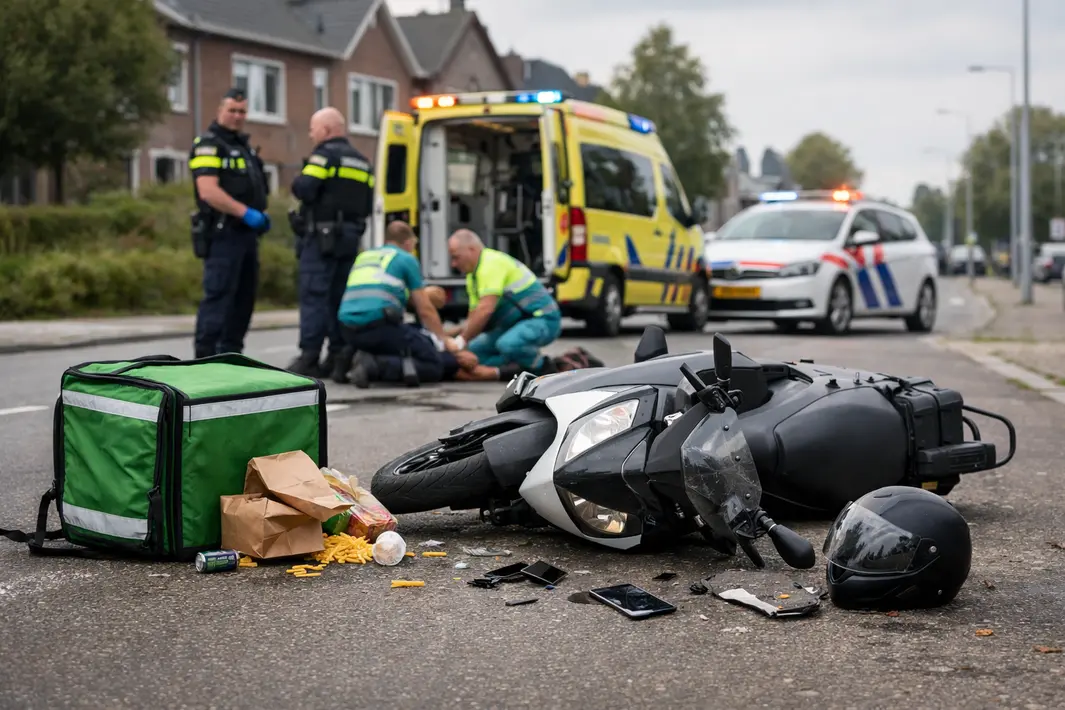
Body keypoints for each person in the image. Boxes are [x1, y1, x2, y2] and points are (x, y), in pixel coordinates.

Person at [287, 107, 374, 379]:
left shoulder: (323, 155)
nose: (311, 135)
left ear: (326, 130)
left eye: (313, 129)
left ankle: (309, 356)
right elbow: (368, 205)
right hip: (350, 239)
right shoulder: (362, 161)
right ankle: (338, 356)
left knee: (314, 297)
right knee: (339, 297)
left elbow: (304, 188)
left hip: (321, 239)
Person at [188, 88, 271, 358]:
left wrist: (259, 214)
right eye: (232, 110)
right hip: (223, 233)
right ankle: (205, 358)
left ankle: (231, 359)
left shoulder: (243, 147)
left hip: (247, 236)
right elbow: (208, 191)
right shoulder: (210, 144)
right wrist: (245, 212)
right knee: (219, 297)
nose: (237, 116)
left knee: (244, 300)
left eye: (242, 111)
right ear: (219, 111)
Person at [340, 221, 449, 388]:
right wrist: (443, 340)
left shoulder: (365, 256)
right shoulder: (405, 258)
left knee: (399, 339)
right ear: (408, 242)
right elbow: (425, 309)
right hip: (378, 328)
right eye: (414, 245)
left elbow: (379, 291)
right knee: (433, 364)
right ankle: (374, 365)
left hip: (347, 329)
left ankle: (347, 360)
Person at [446, 229, 561, 375]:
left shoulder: (491, 264)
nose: (454, 264)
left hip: (542, 320)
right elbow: (474, 318)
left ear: (472, 249)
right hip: (514, 324)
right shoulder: (472, 277)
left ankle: (544, 367)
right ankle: (515, 368)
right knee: (473, 353)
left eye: (456, 257)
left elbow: (485, 310)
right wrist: (447, 336)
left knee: (508, 344)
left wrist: (460, 342)